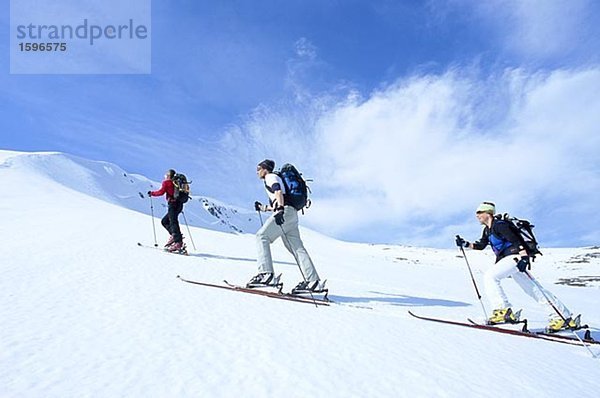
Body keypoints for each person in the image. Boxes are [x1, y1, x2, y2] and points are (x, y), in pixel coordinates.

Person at [456, 201, 580, 332]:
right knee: (533, 289)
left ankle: (502, 310)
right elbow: (480, 245)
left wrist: (524, 258)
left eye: (480, 212)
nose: (477, 215)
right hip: (510, 260)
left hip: (515, 258)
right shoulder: (487, 230)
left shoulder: (500, 225)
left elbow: (516, 240)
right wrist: (465, 244)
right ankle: (563, 317)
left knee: (490, 277)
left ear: (488, 213)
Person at [248, 159, 324, 294]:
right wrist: (263, 207)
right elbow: (279, 199)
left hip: (285, 212)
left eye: (259, 168)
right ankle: (313, 282)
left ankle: (266, 275)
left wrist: (281, 209)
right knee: (297, 248)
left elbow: (278, 192)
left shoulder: (270, 177)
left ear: (265, 169)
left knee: (261, 236)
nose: (257, 171)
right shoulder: (276, 177)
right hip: (292, 214)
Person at [148, 169, 185, 253]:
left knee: (173, 222)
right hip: (179, 205)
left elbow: (161, 192)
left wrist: (152, 193)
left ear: (169, 176)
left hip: (173, 204)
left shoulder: (167, 183)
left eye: (166, 175)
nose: (165, 177)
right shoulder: (177, 183)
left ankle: (178, 242)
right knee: (165, 221)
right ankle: (175, 236)